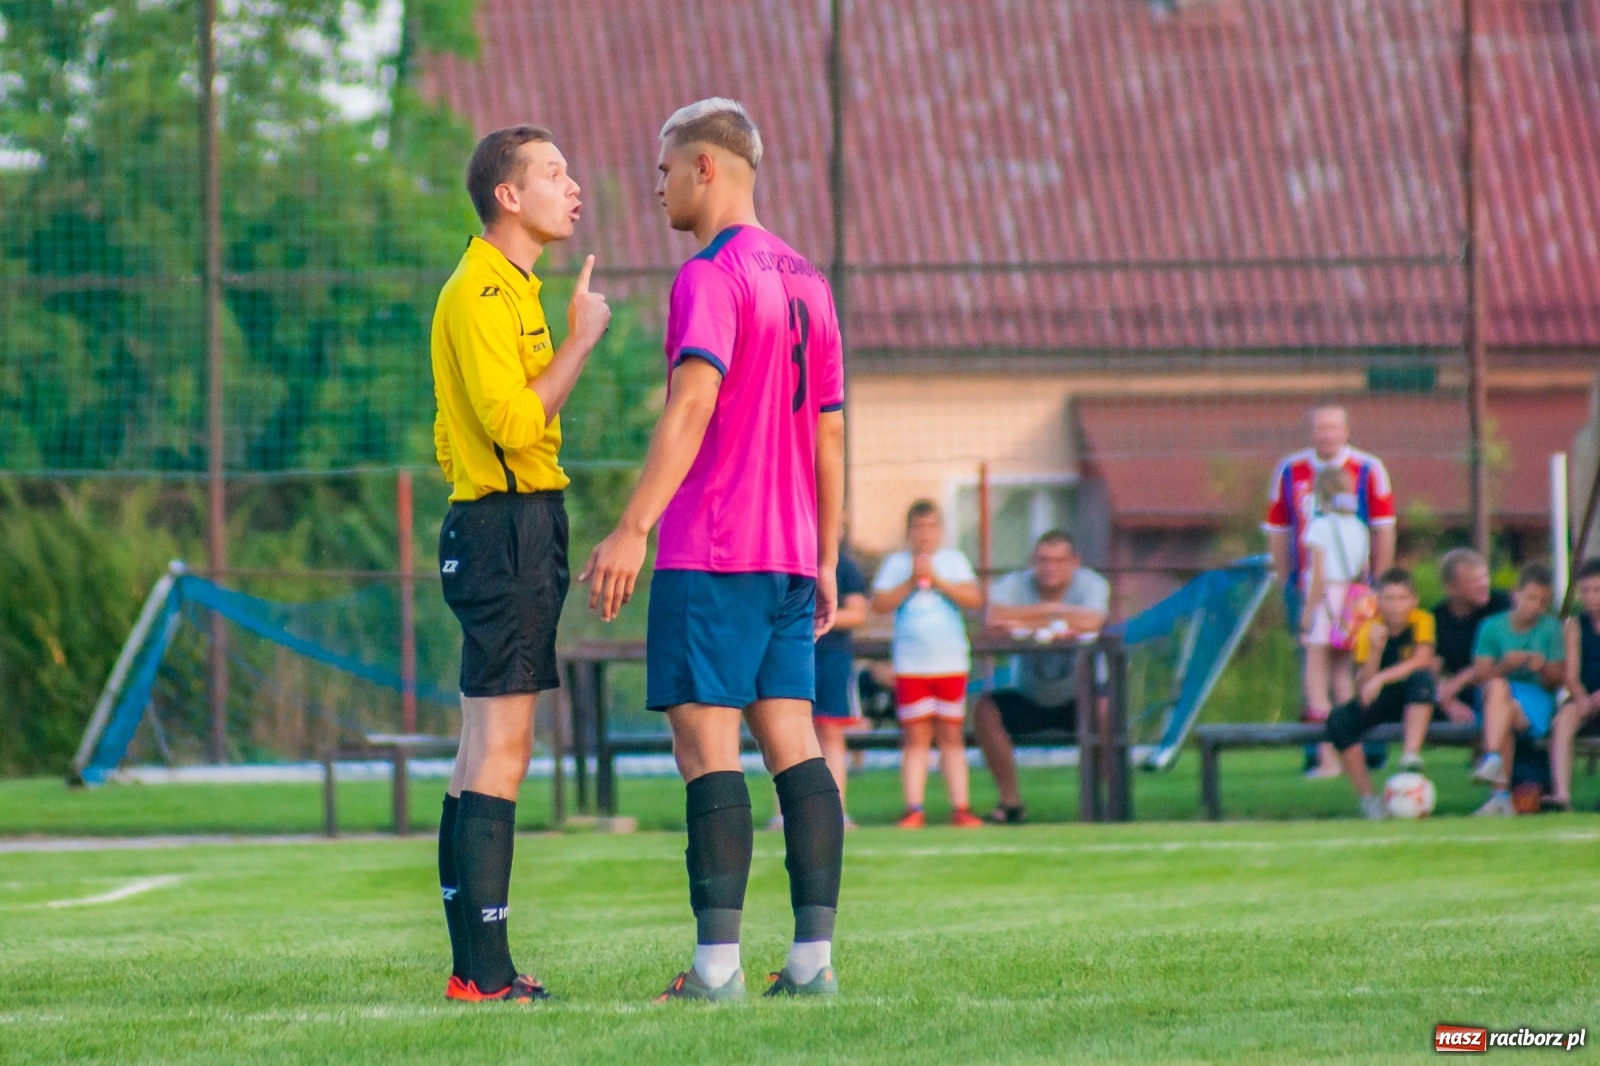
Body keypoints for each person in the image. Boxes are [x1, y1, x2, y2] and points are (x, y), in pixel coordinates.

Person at [581, 99, 847, 1001]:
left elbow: (691, 407)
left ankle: (716, 970)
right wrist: (828, 552)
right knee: (794, 745)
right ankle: (812, 964)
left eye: (663, 171)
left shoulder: (710, 274)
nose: (655, 188)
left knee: (706, 750)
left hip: (715, 547)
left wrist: (632, 526)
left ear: (705, 168)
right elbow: (832, 435)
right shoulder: (811, 279)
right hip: (789, 554)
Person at [430, 125, 611, 1002]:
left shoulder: (510, 288)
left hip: (504, 524)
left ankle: (475, 969)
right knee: (502, 748)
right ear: (508, 195)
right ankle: (489, 973)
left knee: (479, 751)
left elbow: (450, 431)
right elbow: (511, 423)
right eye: (553, 171)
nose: (571, 185)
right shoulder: (479, 292)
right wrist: (581, 340)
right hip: (506, 531)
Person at [1263, 404, 1396, 772]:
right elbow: (1277, 531)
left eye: (1333, 427)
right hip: (1353, 596)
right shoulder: (1294, 473)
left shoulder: (1366, 473)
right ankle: (1350, 746)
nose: (1327, 434)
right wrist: (1285, 577)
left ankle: (1328, 755)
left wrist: (1306, 604)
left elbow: (1383, 530)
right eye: (1320, 428)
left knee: (1316, 675)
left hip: (1323, 597)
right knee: (1345, 675)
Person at [973, 531, 1109, 825]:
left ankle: (1105, 802)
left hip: (1080, 697)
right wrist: (1052, 611)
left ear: (1074, 562)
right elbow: (994, 618)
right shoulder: (1014, 584)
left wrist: (1031, 617)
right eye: (1044, 560)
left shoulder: (1091, 584)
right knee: (985, 710)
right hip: (1031, 696)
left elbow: (1093, 620)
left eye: (1059, 560)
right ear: (1032, 562)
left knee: (1106, 709)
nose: (1050, 568)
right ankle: (1011, 804)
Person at [871, 500, 985, 829]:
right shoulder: (896, 564)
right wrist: (910, 581)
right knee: (915, 736)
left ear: (941, 531)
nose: (924, 534)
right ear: (908, 531)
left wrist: (937, 579)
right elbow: (879, 604)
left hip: (949, 661)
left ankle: (960, 806)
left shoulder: (953, 561)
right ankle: (913, 807)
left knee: (951, 734)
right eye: (918, 528)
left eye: (931, 527)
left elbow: (973, 599)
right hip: (911, 664)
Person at [769, 528, 869, 830]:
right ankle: (785, 811)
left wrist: (819, 614)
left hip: (832, 659)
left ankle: (835, 810)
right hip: (790, 655)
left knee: (830, 734)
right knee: (785, 732)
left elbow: (858, 614)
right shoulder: (783, 561)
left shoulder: (845, 567)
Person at [1325, 568, 1437, 819]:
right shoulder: (1368, 629)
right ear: (1378, 601)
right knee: (1339, 720)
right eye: (1389, 599)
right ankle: (1369, 799)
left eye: (1402, 598)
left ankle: (1411, 756)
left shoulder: (1422, 620)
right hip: (1383, 699)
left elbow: (1422, 660)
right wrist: (1376, 650)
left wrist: (1382, 678)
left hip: (1417, 698)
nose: (1396, 606)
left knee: (1422, 679)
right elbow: (1364, 685)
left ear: (1413, 601)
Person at [1470, 564, 1565, 816]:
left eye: (1543, 601)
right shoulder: (1491, 626)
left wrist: (1542, 666)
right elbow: (1480, 676)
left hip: (1535, 698)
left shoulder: (1551, 628)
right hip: (1497, 698)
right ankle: (1499, 788)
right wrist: (1505, 665)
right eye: (1532, 598)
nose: (1537, 606)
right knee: (1502, 695)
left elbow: (1557, 679)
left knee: (1504, 712)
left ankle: (1496, 781)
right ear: (1516, 594)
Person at [1298, 466, 1371, 777]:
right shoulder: (1359, 526)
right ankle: (1353, 754)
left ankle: (1327, 758)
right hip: (1351, 605)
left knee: (1316, 683)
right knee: (1343, 681)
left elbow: (1319, 576)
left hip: (1326, 602)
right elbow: (1364, 570)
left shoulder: (1320, 527)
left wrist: (1306, 614)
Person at [1430, 548, 1510, 724]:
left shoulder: (1500, 605)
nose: (1484, 584)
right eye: (1474, 580)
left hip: (1496, 683)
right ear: (1451, 588)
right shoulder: (1438, 618)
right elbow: (1432, 666)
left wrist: (1457, 683)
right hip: (1456, 693)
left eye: (1485, 577)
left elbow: (1501, 659)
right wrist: (1447, 702)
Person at [1547, 558, 1600, 810]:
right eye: (1586, 591)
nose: (1591, 597)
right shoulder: (1576, 626)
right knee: (1564, 719)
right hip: (1586, 697)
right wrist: (1580, 697)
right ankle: (1562, 795)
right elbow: (1571, 673)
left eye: (1597, 590)